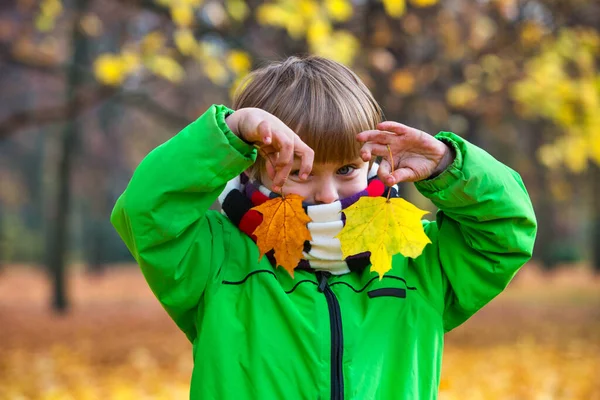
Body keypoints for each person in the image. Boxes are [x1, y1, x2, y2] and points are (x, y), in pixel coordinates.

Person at [111, 55, 536, 399]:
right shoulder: (215, 261)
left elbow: (505, 233)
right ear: (254, 166)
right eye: (298, 172)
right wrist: (231, 133)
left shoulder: (416, 261)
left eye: (347, 169)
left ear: (371, 161)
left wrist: (448, 167)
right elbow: (146, 211)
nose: (327, 195)